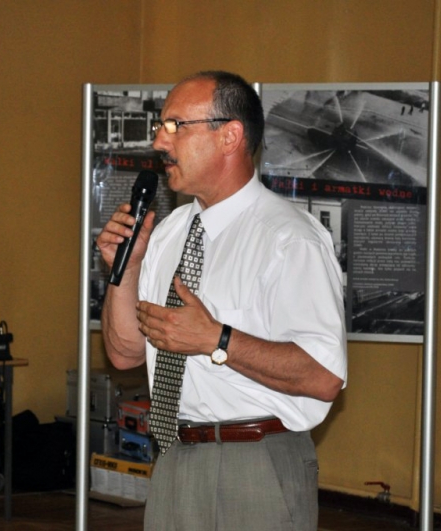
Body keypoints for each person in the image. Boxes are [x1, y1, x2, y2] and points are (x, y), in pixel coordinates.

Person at [97, 71, 347, 531]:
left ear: (230, 136)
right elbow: (125, 352)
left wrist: (217, 339)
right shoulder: (168, 233)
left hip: (256, 462)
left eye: (175, 126)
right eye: (160, 126)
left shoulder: (288, 238)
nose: (159, 141)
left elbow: (325, 376)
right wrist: (125, 270)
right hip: (174, 458)